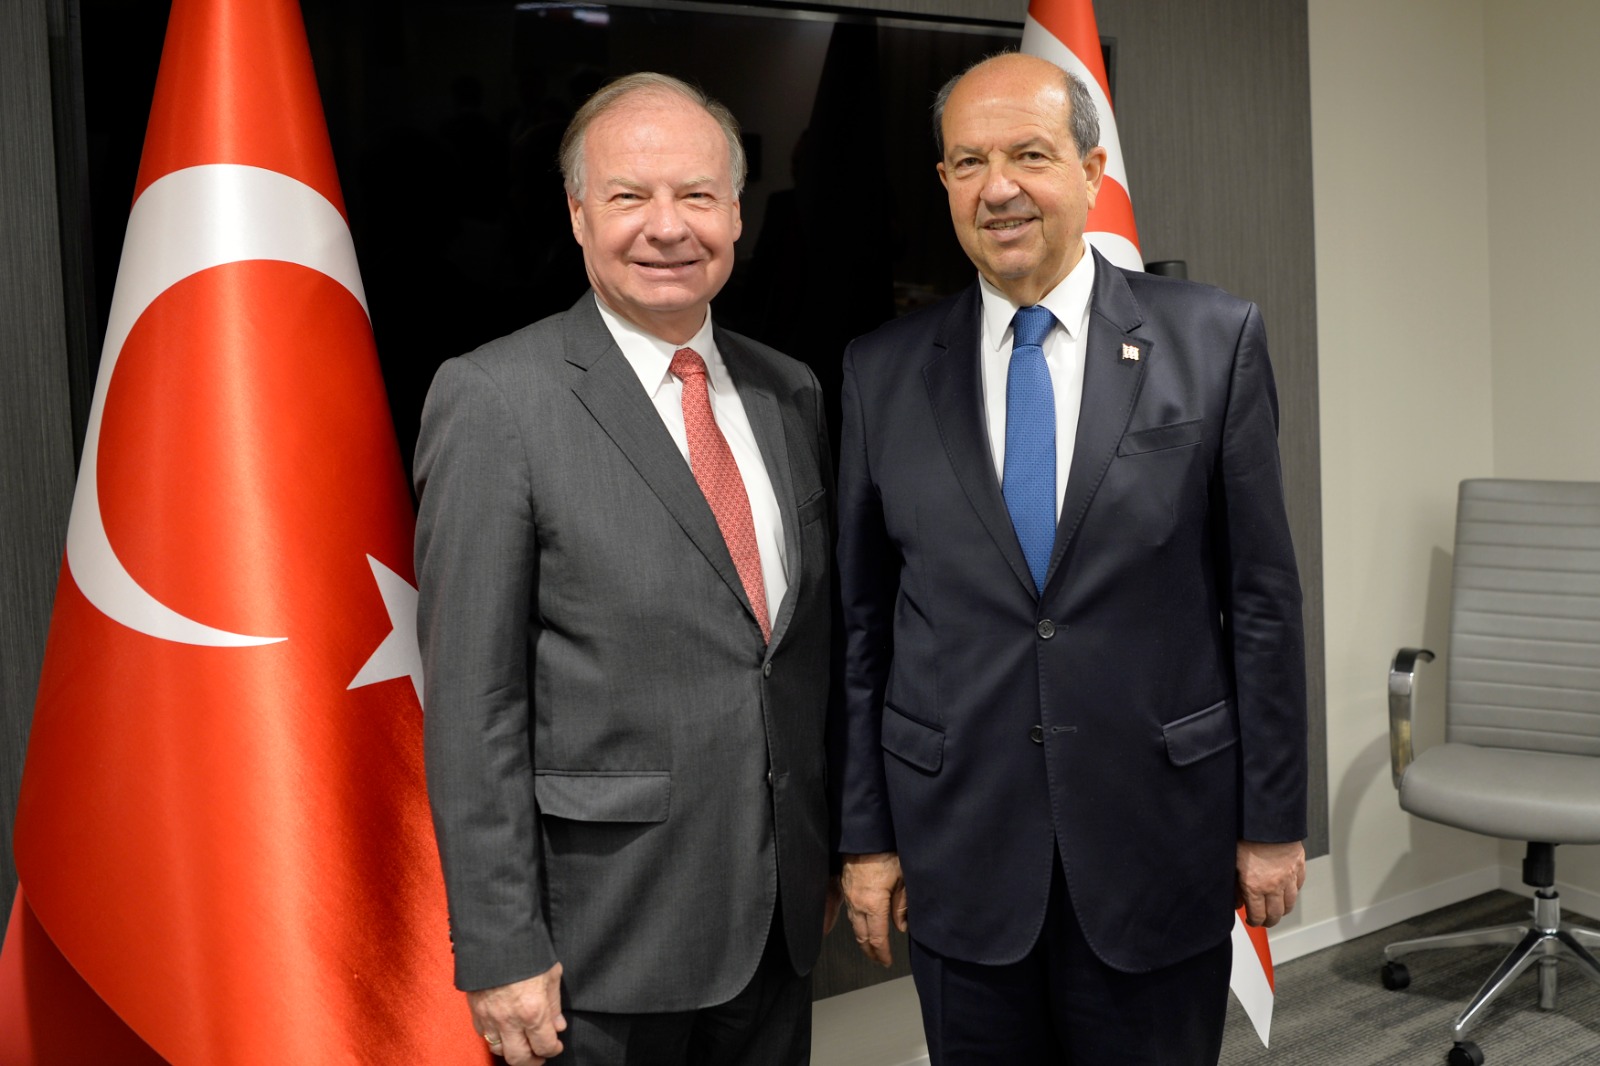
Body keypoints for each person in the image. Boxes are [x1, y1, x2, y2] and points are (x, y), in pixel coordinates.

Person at [833, 52, 1308, 1065]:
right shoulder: (881, 371)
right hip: (960, 849)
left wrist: (1271, 821)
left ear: (1092, 172)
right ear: (944, 183)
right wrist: (867, 838)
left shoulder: (1212, 339)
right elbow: (865, 625)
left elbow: (1262, 599)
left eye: (1030, 155)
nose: (997, 187)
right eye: (969, 162)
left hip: (1157, 838)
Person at [414, 72, 837, 1066]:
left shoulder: (790, 391)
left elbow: (794, 653)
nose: (668, 226)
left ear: (737, 212)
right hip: (600, 945)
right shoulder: (496, 399)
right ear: (577, 214)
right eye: (629, 196)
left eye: (697, 195)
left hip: (777, 922)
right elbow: (474, 706)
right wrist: (501, 945)